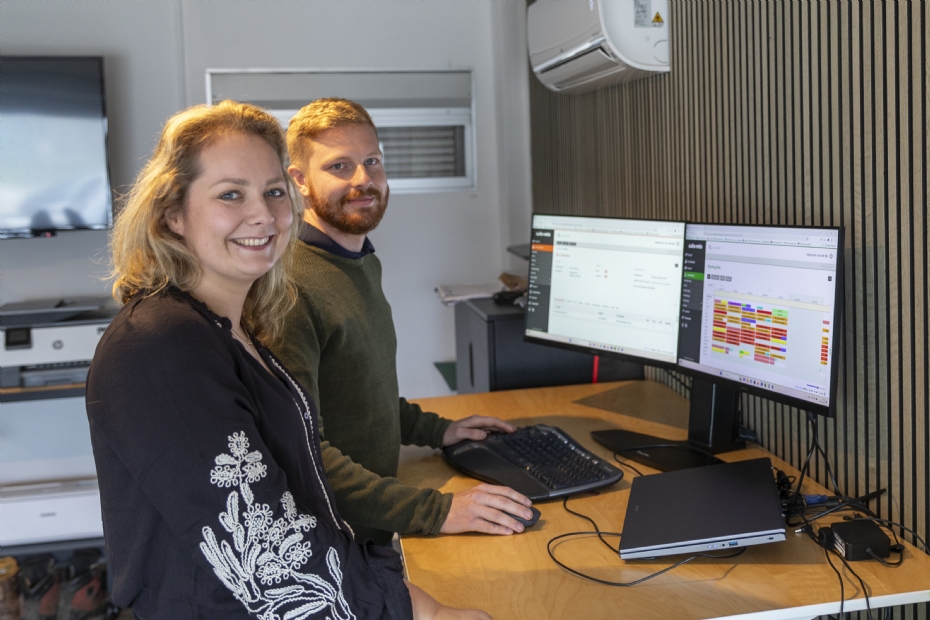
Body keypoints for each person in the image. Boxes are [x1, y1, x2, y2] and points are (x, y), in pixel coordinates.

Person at [86, 100, 490, 620]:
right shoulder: (160, 346)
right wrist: (420, 610)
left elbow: (298, 499)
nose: (262, 215)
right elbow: (268, 556)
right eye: (230, 194)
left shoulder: (231, 327)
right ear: (173, 214)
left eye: (273, 192)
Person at [270, 98, 535, 546]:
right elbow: (303, 452)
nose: (363, 179)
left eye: (372, 161)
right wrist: (436, 510)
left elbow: (358, 395)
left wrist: (436, 430)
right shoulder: (291, 289)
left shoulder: (359, 260)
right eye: (339, 166)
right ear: (299, 180)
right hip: (333, 543)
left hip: (373, 526)